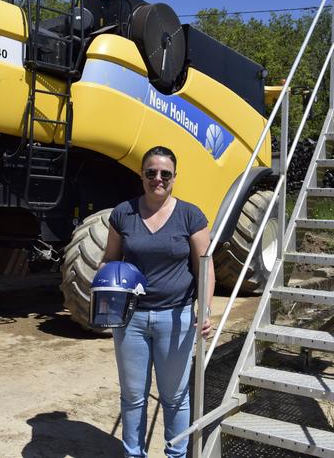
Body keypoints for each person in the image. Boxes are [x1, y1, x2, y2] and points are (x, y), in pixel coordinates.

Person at [102, 145, 215, 458]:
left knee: (175, 396)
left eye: (165, 173)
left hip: (175, 319)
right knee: (133, 396)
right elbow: (109, 260)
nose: (158, 179)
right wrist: (103, 294)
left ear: (175, 177)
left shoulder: (190, 215)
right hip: (130, 320)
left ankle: (176, 455)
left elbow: (205, 268)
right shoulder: (123, 213)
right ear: (142, 175)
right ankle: (133, 454)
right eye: (151, 172)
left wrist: (204, 310)